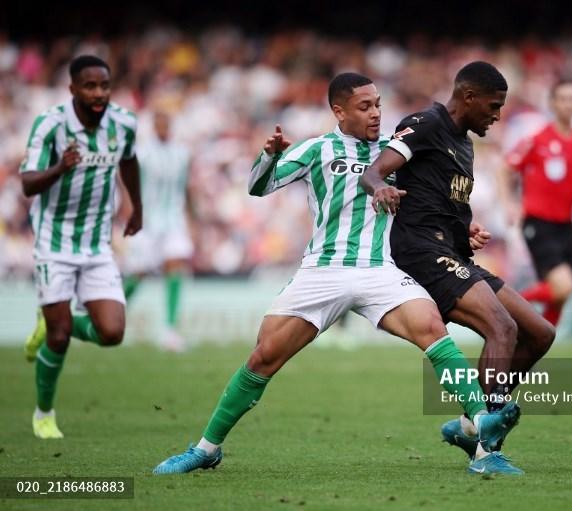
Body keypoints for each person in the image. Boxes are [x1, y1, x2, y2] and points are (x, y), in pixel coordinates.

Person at [153, 73, 521, 476]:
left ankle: (483, 444)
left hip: (379, 270)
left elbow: (429, 203)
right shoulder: (318, 149)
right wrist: (269, 156)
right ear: (338, 111)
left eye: (378, 104)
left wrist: (462, 229)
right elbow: (258, 187)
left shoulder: (396, 151)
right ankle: (207, 449)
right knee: (263, 358)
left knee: (433, 329)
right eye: (365, 107)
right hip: (322, 271)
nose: (376, 113)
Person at [361, 62, 556, 465]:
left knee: (539, 332)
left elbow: (441, 200)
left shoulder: (465, 143)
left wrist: (466, 230)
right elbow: (374, 171)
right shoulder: (426, 123)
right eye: (494, 105)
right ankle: (488, 445)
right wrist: (380, 187)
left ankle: (471, 427)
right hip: (420, 251)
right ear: (468, 97)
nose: (497, 115)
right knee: (501, 327)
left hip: (451, 250)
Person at [20, 55, 142, 439]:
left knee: (112, 333)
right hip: (53, 242)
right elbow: (27, 183)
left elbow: (129, 162)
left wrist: (137, 207)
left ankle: (58, 321)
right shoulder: (51, 125)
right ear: (73, 89)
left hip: (96, 243)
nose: (99, 93)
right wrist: (60, 168)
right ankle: (44, 413)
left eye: (104, 85)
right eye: (90, 86)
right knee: (57, 337)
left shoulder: (123, 123)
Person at [506, 79, 572, 326]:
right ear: (552, 103)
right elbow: (505, 168)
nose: (569, 104)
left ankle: (536, 345)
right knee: (563, 287)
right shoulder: (537, 139)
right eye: (563, 98)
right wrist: (510, 203)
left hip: (567, 226)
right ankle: (505, 303)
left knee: (561, 296)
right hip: (539, 223)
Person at [123, 110, 193, 351]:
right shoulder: (142, 154)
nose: (163, 127)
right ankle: (109, 316)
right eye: (159, 123)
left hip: (173, 219)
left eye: (166, 122)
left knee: (175, 266)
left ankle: (169, 331)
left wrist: (192, 218)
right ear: (154, 125)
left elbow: (186, 188)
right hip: (148, 221)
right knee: (138, 274)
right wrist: (130, 213)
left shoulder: (182, 153)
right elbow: (128, 185)